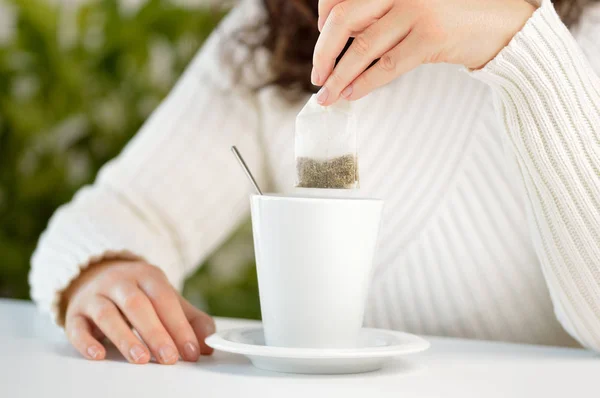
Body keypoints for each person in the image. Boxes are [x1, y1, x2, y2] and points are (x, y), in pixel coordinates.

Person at [30, 0, 600, 364]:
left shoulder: (582, 40)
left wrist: (523, 48)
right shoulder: (273, 35)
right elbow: (117, 211)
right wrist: (102, 269)